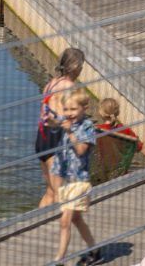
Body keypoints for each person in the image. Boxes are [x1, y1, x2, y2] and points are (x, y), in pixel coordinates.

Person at [52, 89, 102, 266]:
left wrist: (70, 132)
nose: (69, 113)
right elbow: (59, 158)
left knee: (65, 221)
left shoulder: (87, 127)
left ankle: (59, 259)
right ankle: (94, 250)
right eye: (66, 109)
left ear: (84, 108)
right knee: (76, 220)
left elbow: (81, 150)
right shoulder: (66, 123)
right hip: (66, 181)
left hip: (79, 181)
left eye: (73, 109)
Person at [36, 47, 85, 207]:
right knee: (59, 191)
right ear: (75, 66)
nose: (82, 69)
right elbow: (62, 117)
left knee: (50, 190)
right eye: (82, 65)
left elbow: (45, 112)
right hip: (56, 139)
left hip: (42, 138)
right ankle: (56, 227)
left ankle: (36, 225)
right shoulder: (70, 87)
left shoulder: (50, 84)